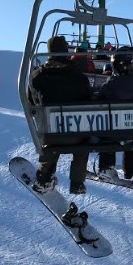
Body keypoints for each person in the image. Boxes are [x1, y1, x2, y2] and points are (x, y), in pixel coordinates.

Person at [29, 35, 92, 194]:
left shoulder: (37, 76)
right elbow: (89, 100)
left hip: (50, 133)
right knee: (82, 146)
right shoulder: (80, 77)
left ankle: (44, 178)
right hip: (76, 133)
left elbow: (30, 100)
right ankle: (77, 183)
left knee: (50, 142)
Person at [97, 46, 133, 180]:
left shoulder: (110, 85)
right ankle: (131, 170)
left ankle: (106, 167)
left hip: (113, 132)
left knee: (106, 129)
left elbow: (99, 102)